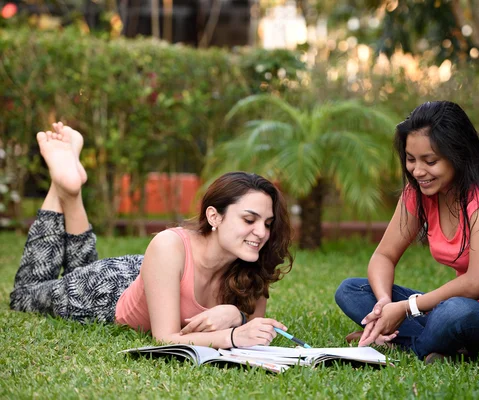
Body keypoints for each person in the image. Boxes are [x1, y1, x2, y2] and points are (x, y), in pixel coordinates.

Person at [10, 122, 294, 349]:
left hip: (155, 274)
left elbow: (253, 326)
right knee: (24, 295)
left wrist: (237, 316)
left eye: (268, 223)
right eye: (249, 219)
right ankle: (61, 187)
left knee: (77, 265)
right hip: (110, 291)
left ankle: (70, 191)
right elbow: (165, 338)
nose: (262, 232)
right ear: (214, 216)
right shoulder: (170, 243)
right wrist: (232, 336)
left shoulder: (253, 264)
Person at [335, 101, 479, 362]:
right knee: (351, 290)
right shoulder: (419, 193)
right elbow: (384, 256)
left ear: (458, 155)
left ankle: (408, 345)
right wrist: (385, 304)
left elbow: (477, 283)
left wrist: (407, 308)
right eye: (410, 159)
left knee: (453, 312)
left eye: (430, 161)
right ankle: (440, 345)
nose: (418, 171)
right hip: (464, 310)